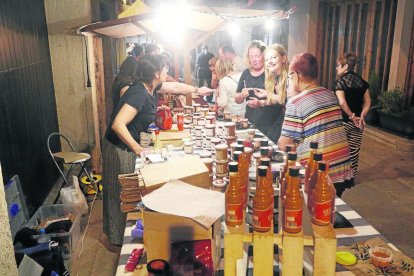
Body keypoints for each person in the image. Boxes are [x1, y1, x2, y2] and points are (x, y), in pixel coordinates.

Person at [103, 55, 168, 245]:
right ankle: (117, 240)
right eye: (165, 69)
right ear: (156, 73)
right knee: (121, 192)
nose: (167, 73)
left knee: (125, 191)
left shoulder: (149, 88)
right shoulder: (139, 93)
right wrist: (138, 149)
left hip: (126, 145)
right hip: (119, 147)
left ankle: (121, 235)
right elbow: (118, 124)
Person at [278, 53, 353, 197]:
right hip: (341, 167)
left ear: (296, 75)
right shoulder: (330, 94)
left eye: (289, 76)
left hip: (318, 172)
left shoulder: (295, 103)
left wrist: (291, 96)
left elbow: (284, 144)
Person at [234, 40, 284, 142]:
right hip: (251, 121)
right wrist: (242, 95)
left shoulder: (272, 71)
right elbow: (237, 99)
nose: (254, 60)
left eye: (257, 56)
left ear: (264, 55)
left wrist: (261, 103)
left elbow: (281, 100)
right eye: (251, 56)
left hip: (271, 123)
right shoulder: (246, 73)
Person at [335, 53, 371, 180]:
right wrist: (361, 116)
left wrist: (351, 116)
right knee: (354, 150)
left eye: (338, 65)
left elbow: (342, 102)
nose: (336, 68)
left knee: (339, 150)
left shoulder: (340, 82)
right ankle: (352, 176)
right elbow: (367, 101)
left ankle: (339, 176)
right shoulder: (362, 82)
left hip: (343, 122)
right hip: (358, 123)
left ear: (345, 67)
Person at [252, 44, 289, 140]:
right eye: (267, 59)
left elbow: (285, 100)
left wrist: (267, 94)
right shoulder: (275, 77)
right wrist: (261, 102)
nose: (270, 61)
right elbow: (279, 100)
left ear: (284, 58)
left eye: (274, 57)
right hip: (284, 118)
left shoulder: (290, 77)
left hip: (293, 121)